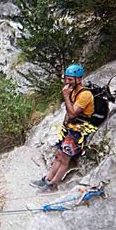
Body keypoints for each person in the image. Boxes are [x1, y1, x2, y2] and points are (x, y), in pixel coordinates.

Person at [31, 64, 97, 193]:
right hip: (72, 128)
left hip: (79, 131)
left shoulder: (85, 95)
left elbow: (73, 113)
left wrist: (65, 96)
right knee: (58, 155)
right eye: (66, 79)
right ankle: (47, 179)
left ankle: (53, 185)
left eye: (70, 79)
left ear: (79, 79)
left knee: (65, 158)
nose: (67, 82)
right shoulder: (74, 91)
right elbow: (69, 111)